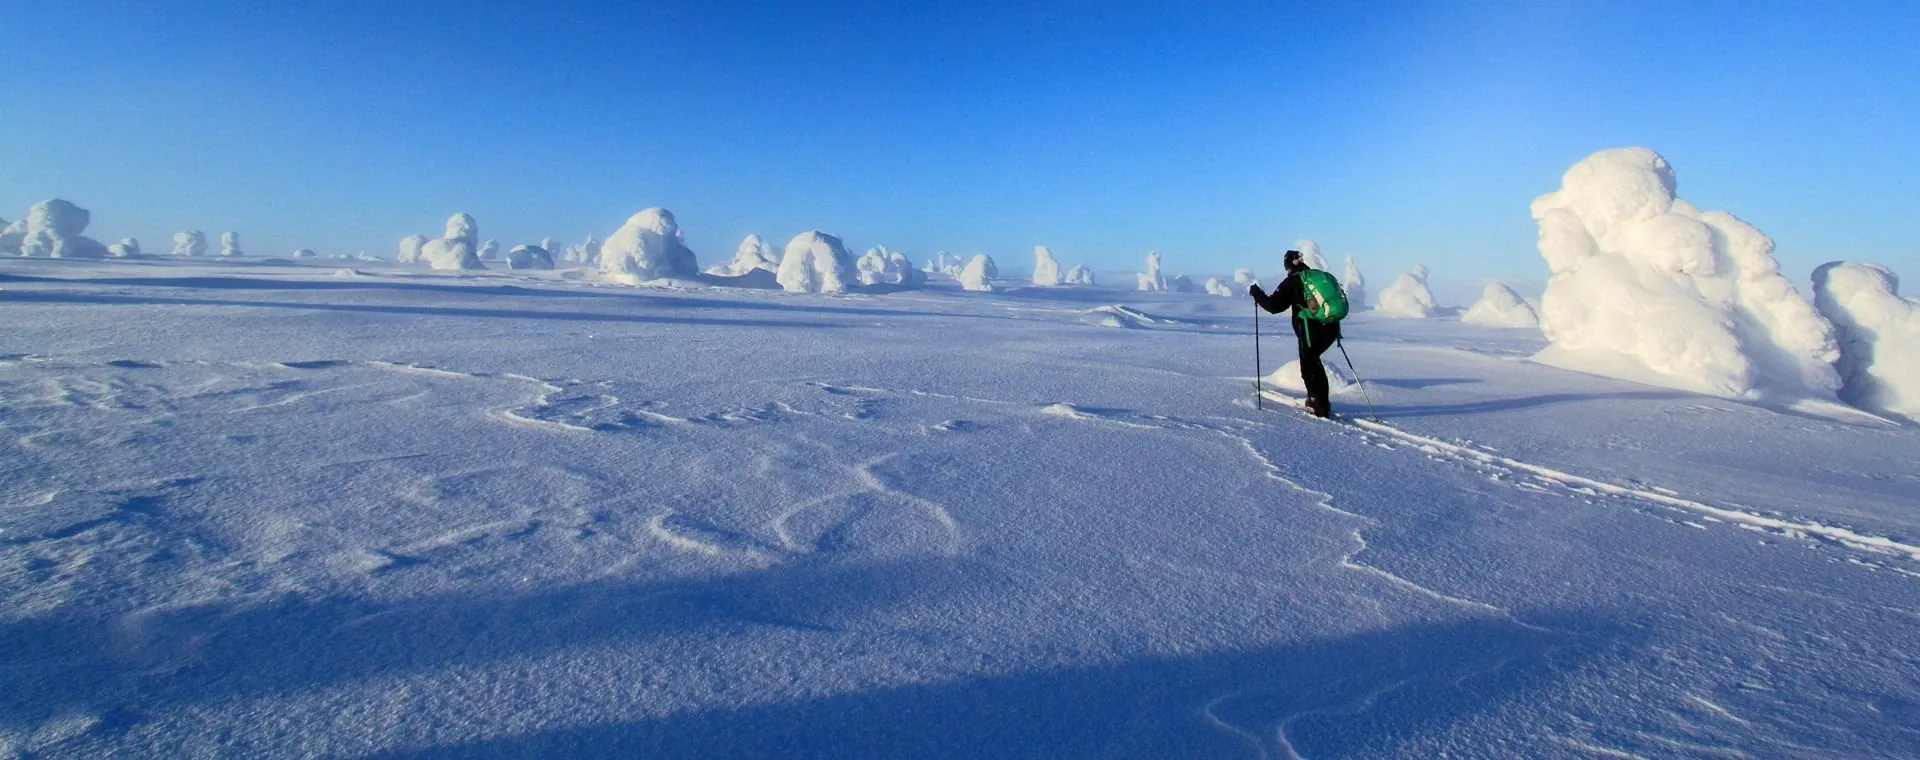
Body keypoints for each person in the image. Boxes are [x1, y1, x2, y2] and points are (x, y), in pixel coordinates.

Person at [1249, 250, 1341, 417]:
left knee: (1309, 365)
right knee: (1313, 362)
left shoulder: (1294, 281)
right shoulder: (1316, 277)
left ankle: (1317, 405)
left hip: (1311, 329)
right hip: (1332, 326)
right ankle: (1320, 402)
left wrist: (1257, 294)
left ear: (1288, 265)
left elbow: (1273, 306)